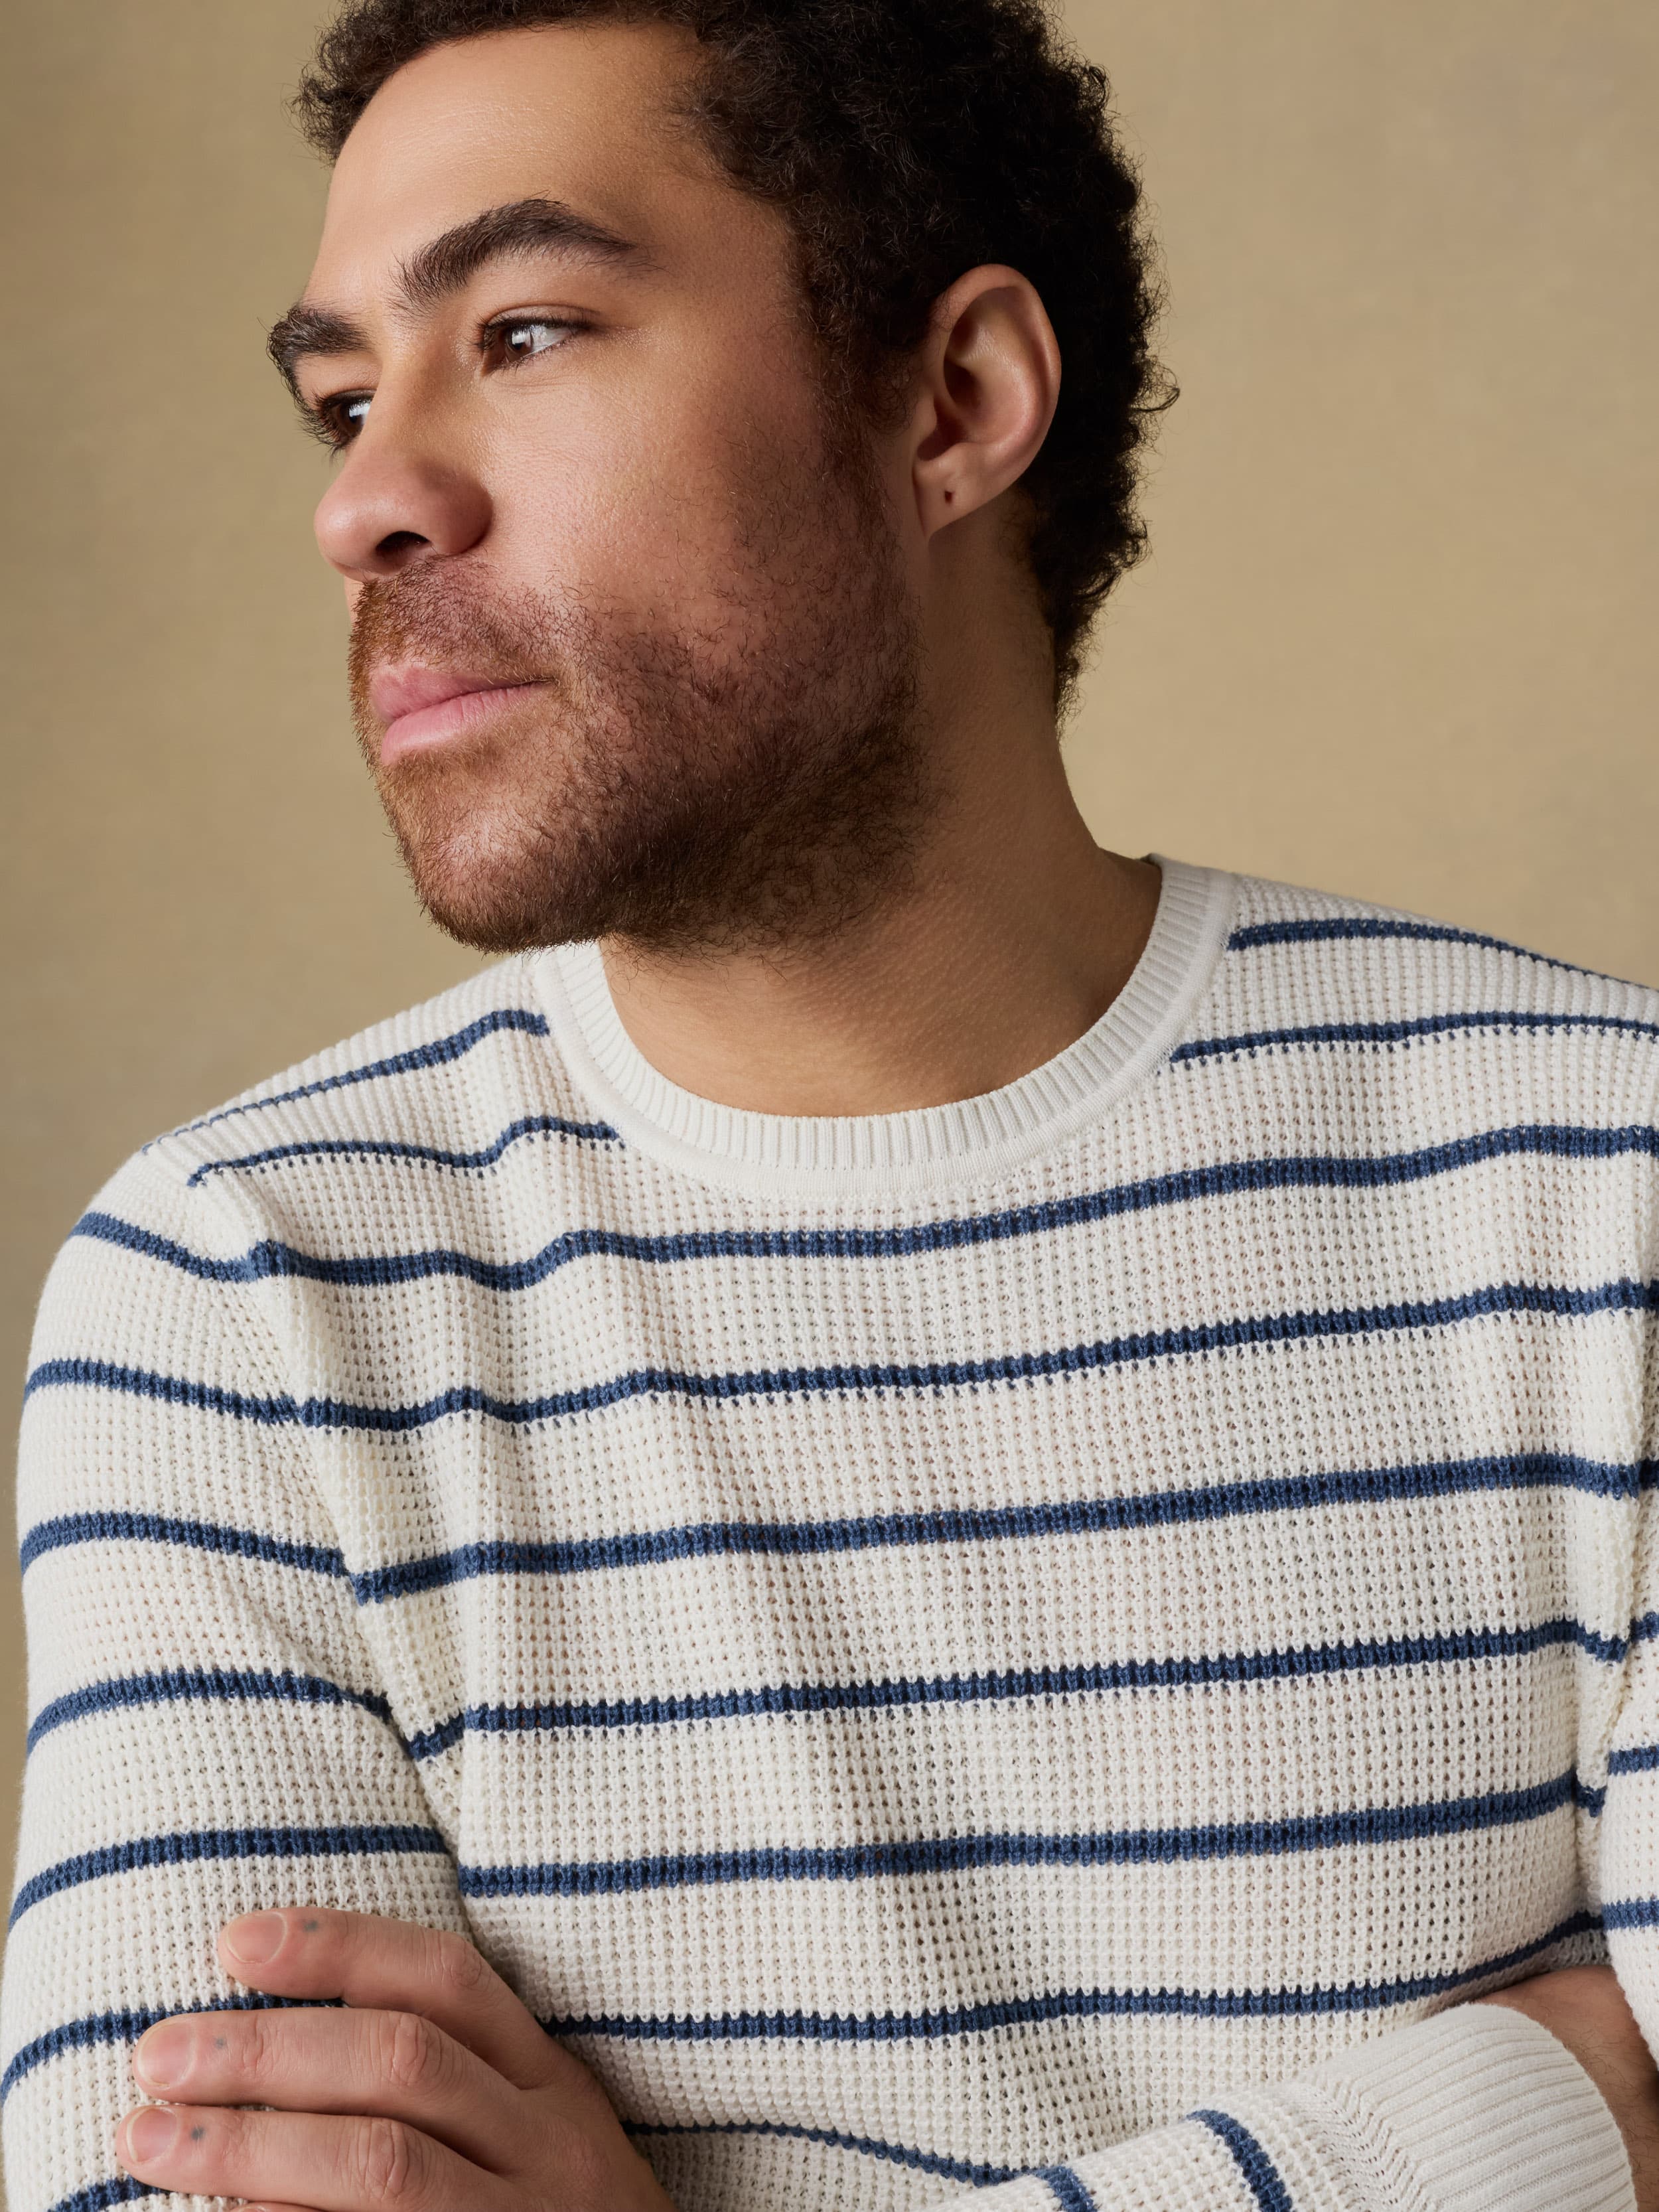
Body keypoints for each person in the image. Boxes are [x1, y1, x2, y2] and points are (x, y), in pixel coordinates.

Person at [4, 1, 1658, 2207]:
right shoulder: (239, 1297)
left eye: (521, 332)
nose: (364, 499)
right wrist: (1537, 2109)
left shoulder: (1609, 1186)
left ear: (955, 400)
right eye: (337, 395)